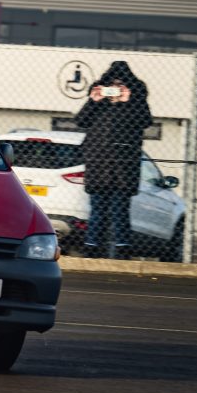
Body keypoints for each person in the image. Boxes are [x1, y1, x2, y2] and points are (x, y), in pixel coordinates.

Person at [74, 60, 152, 259]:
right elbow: (81, 121)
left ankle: (122, 249)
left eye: (120, 86)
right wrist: (94, 100)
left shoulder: (134, 104)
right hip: (99, 164)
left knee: (120, 210)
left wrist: (130, 101)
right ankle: (91, 248)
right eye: (112, 86)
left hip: (124, 166)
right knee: (97, 210)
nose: (115, 90)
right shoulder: (98, 104)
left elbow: (145, 121)